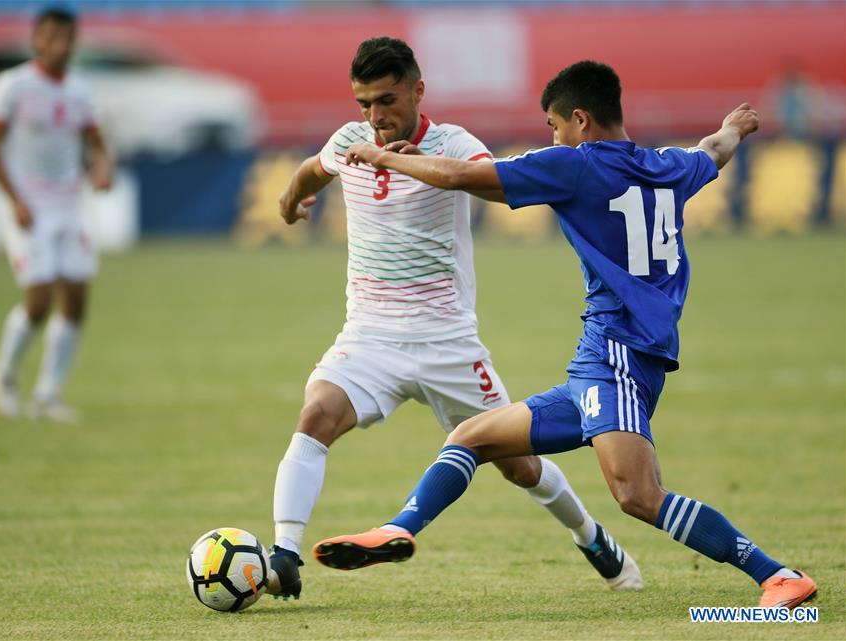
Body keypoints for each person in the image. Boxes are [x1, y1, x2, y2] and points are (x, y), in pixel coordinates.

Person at [313, 61, 817, 610]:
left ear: (580, 119)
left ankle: (777, 575)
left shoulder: (575, 166)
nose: (552, 136)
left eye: (554, 125)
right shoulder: (671, 166)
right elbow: (713, 151)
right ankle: (399, 528)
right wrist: (736, 127)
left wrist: (385, 157)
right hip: (598, 362)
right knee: (471, 438)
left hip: (620, 358)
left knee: (637, 496)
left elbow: (466, 178)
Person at [267, 39, 641, 600]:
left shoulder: (453, 144)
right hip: (369, 337)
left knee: (520, 466)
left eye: (387, 100)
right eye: (364, 103)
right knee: (316, 415)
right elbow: (310, 170)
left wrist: (404, 162)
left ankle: (590, 536)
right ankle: (283, 555)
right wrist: (290, 201)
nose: (375, 116)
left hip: (448, 343)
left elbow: (487, 181)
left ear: (418, 91)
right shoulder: (349, 141)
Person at [0, 3, 113, 423]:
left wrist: (102, 166)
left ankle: (47, 393)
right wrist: (14, 199)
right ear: (37, 39)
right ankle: (4, 371)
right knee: (38, 303)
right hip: (29, 206)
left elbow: (96, 141)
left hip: (70, 204)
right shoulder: (13, 86)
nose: (60, 45)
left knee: (75, 299)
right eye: (52, 37)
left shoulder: (79, 91)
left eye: (67, 38)